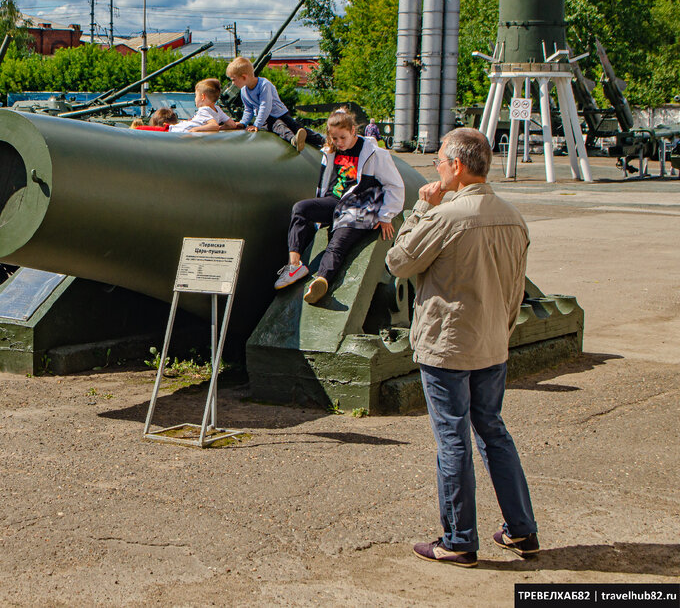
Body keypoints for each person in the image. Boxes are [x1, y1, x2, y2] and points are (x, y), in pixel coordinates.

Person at [385, 127, 538, 568]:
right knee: (493, 431)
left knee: (452, 439)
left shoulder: (446, 216)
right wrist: (503, 330)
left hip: (448, 344)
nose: (435, 169)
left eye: (438, 162)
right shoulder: (512, 216)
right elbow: (515, 287)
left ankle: (458, 540)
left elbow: (399, 261)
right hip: (492, 341)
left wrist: (420, 207)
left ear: (456, 166)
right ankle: (522, 531)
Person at [274, 108, 405, 304]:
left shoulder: (374, 154)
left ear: (353, 131)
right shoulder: (330, 151)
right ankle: (294, 265)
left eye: (342, 137)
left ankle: (322, 280)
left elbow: (394, 185)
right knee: (300, 209)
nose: (339, 143)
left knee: (338, 241)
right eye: (334, 138)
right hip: (335, 201)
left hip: (358, 205)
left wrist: (386, 215)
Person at [224, 56, 324, 151]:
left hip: (280, 114)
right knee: (279, 126)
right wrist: (243, 123)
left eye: (233, 80)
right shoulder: (244, 91)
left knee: (296, 127)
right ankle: (294, 140)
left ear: (244, 77)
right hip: (267, 119)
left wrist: (256, 125)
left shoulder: (264, 85)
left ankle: (323, 141)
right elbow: (248, 109)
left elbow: (265, 106)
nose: (233, 83)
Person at [169, 79, 236, 133]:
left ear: (202, 97)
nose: (195, 99)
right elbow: (232, 124)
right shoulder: (218, 110)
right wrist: (220, 128)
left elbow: (214, 125)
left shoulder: (204, 110)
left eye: (196, 96)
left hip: (181, 130)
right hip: (188, 127)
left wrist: (196, 129)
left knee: (165, 128)